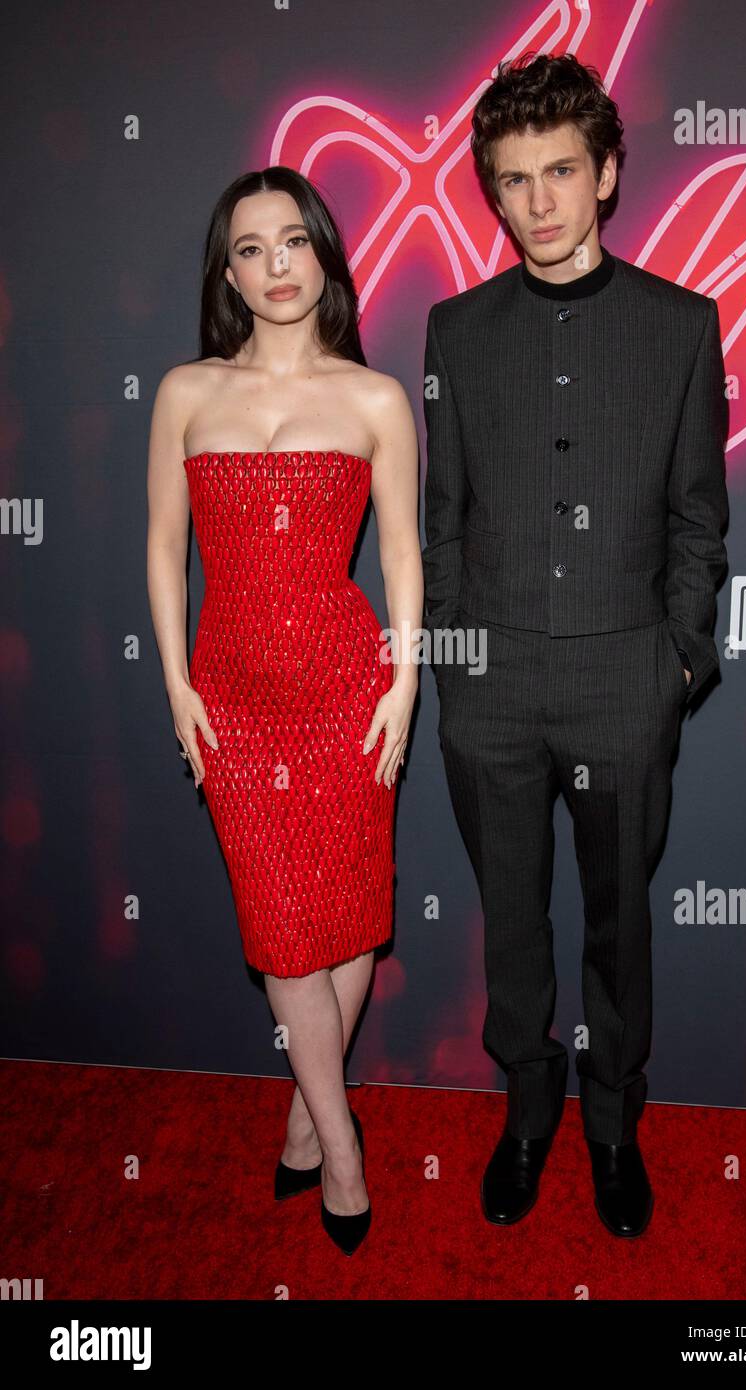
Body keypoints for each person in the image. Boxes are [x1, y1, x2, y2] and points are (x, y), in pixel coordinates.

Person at [422, 52, 729, 1236]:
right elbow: (440, 514)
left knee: (616, 917)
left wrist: (678, 663)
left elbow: (698, 517)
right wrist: (452, 656)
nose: (538, 201)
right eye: (512, 180)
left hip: (623, 682)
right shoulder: (456, 330)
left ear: (604, 173)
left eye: (560, 171)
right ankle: (527, 1103)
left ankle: (609, 1118)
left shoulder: (678, 327)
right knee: (509, 916)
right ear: (490, 195)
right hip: (489, 686)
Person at [146, 167, 422, 1255]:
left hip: (346, 682)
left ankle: (309, 1117)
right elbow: (164, 550)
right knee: (279, 929)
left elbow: (400, 550)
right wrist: (174, 679)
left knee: (347, 912)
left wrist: (404, 677)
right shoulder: (185, 392)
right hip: (233, 696)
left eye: (292, 242)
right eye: (250, 248)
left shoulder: (373, 399)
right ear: (227, 272)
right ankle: (340, 1138)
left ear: (323, 256)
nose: (274, 265)